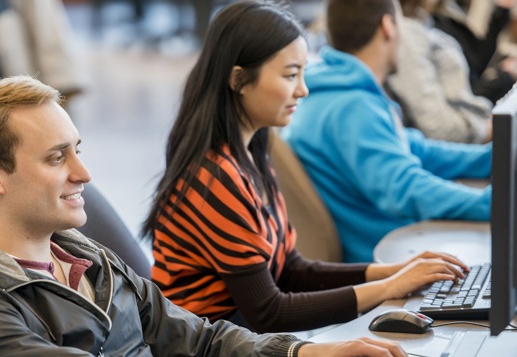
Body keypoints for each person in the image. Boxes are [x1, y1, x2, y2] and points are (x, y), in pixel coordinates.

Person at [0, 73, 418, 357]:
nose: (84, 174)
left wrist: (303, 353)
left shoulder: (86, 259)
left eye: (78, 149)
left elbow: (195, 343)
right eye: (56, 157)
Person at [142, 0, 467, 339]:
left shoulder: (251, 154)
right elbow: (270, 311)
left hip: (242, 346)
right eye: (290, 75)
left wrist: (396, 272)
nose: (303, 89)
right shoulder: (215, 177)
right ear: (239, 80)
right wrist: (388, 288)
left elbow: (291, 270)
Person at [283, 0, 492, 264]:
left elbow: (415, 149)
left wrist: (493, 156)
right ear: (388, 26)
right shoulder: (352, 107)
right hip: (387, 260)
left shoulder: (339, 90)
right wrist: (493, 203)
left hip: (396, 248)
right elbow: (406, 189)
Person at [385, 0, 493, 144]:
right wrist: (485, 131)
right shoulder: (407, 33)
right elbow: (437, 125)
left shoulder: (428, 21)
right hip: (464, 142)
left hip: (474, 128)